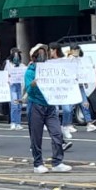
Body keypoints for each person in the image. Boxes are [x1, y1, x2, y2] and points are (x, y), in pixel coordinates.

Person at [24, 44, 72, 173]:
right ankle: (37, 164)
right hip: (36, 106)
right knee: (36, 136)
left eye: (44, 52)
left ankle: (57, 162)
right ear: (34, 56)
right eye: (39, 53)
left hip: (50, 106)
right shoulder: (30, 71)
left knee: (57, 133)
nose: (42, 55)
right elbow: (28, 90)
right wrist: (33, 85)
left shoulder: (50, 69)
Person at [68, 45, 96, 132]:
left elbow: (83, 71)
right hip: (72, 86)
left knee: (85, 103)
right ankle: (69, 124)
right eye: (75, 49)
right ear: (71, 50)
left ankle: (89, 122)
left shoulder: (81, 60)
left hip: (80, 85)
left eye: (78, 50)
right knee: (71, 105)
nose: (77, 51)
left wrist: (85, 80)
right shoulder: (69, 60)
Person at [4, 48, 25, 130]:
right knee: (14, 104)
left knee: (19, 104)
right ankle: (13, 122)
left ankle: (18, 123)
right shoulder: (8, 64)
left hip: (19, 85)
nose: (16, 57)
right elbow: (5, 73)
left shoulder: (22, 65)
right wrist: (7, 78)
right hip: (12, 85)